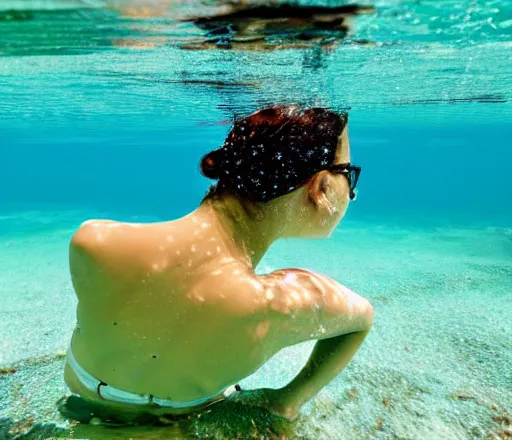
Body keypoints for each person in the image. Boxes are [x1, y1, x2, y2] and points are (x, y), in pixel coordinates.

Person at [63, 105, 373, 424]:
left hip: (79, 406)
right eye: (348, 174)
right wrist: (286, 401)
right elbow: (361, 318)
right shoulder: (274, 305)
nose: (351, 191)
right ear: (320, 189)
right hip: (185, 424)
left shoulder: (94, 242)